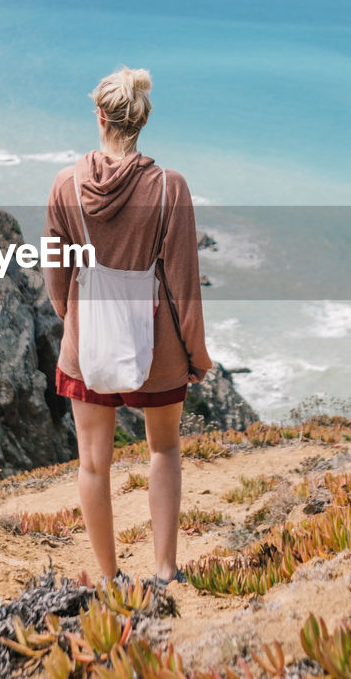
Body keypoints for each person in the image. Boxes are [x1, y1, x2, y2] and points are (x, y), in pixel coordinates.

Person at [43, 66, 212, 587]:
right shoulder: (169, 189)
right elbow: (184, 283)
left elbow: (57, 277)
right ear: (143, 120)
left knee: (93, 465)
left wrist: (76, 323)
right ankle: (164, 572)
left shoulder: (66, 185)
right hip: (157, 346)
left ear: (100, 115)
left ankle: (112, 576)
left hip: (86, 343)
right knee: (163, 450)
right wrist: (197, 356)